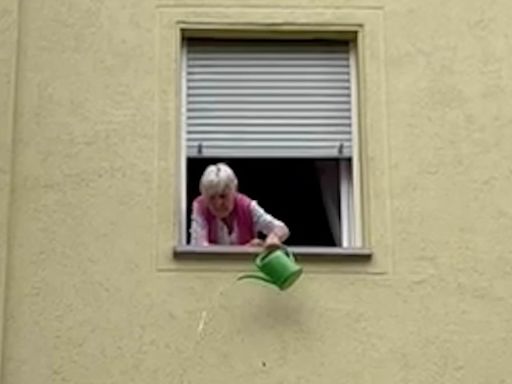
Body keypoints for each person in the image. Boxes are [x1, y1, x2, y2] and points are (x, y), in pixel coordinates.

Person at [189, 163, 289, 249]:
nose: (218, 203)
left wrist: (273, 237)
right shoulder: (200, 206)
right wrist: (246, 248)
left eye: (223, 196)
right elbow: (198, 246)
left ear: (234, 191)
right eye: (211, 197)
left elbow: (281, 228)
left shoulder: (247, 206)